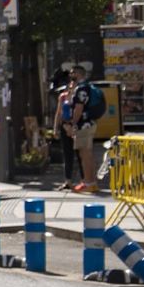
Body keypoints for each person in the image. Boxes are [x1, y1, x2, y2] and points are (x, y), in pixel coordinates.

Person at [66, 65, 100, 193]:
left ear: (78, 74)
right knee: (87, 153)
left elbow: (78, 108)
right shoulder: (85, 87)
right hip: (88, 123)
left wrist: (73, 123)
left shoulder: (81, 88)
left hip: (83, 125)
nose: (70, 75)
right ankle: (91, 182)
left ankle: (88, 182)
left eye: (72, 73)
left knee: (85, 154)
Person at [54, 71, 79, 190]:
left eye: (74, 85)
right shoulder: (63, 97)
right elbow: (58, 113)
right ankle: (68, 180)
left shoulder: (79, 97)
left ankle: (82, 180)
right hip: (64, 126)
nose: (71, 87)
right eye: (70, 84)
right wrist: (56, 128)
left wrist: (73, 126)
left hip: (76, 127)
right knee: (67, 153)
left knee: (79, 154)